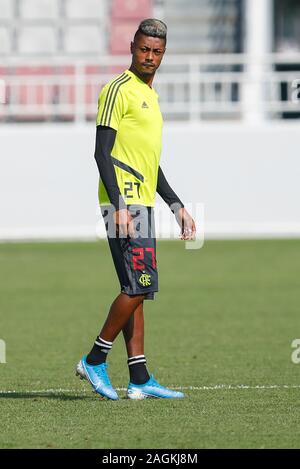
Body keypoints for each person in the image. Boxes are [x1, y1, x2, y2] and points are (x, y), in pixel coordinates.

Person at [76, 19, 196, 400]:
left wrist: (177, 206)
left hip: (141, 200)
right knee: (140, 284)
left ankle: (139, 376)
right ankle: (95, 359)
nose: (150, 57)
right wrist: (120, 205)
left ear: (164, 53)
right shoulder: (117, 90)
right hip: (123, 203)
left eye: (157, 51)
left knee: (137, 287)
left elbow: (149, 165)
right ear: (132, 47)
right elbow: (101, 152)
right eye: (144, 49)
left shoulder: (151, 96)